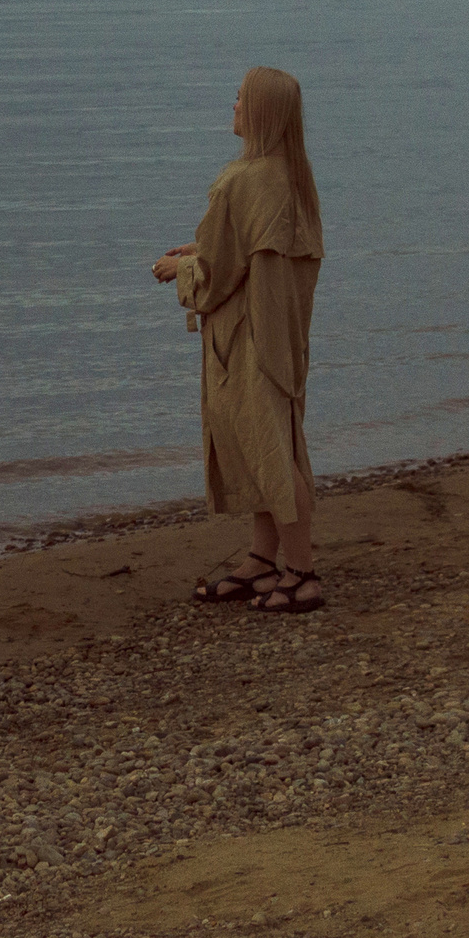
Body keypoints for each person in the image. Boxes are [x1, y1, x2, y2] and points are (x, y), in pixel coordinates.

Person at [151, 66, 326, 613]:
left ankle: (301, 571)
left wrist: (177, 270)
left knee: (270, 450)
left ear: (261, 112)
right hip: (280, 336)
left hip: (249, 341)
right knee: (265, 443)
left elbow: (219, 274)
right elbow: (251, 256)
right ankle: (262, 559)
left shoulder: (245, 179)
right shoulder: (289, 175)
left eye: (239, 99)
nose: (231, 107)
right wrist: (198, 252)